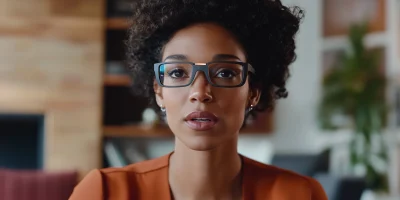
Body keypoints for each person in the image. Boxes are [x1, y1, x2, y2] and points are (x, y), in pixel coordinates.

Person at [69, 0, 328, 199]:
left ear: (253, 92)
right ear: (159, 90)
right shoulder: (104, 192)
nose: (200, 92)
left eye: (225, 73)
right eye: (178, 72)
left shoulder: (300, 195)